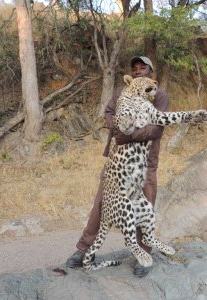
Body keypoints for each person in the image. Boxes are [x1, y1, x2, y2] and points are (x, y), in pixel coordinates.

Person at [66, 56, 169, 277]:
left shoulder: (159, 95)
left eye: (143, 68)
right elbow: (109, 112)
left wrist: (128, 135)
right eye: (135, 68)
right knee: (101, 204)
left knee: (144, 208)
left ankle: (144, 255)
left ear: (151, 72)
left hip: (144, 164)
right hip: (118, 161)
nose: (138, 70)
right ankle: (83, 250)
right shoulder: (122, 89)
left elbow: (157, 128)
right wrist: (119, 127)